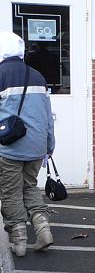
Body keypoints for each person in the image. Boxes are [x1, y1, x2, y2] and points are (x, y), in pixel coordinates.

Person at [0, 31, 54, 257]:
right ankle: (43, 230)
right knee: (30, 187)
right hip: (36, 146)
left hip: (10, 147)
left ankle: (19, 241)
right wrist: (49, 145)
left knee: (11, 192)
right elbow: (47, 115)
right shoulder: (37, 76)